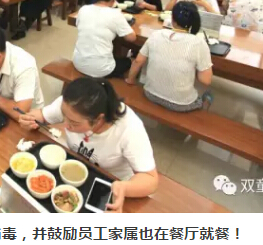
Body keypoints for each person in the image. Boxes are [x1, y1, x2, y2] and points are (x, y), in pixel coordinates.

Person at [18, 77, 158, 210]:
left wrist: (122, 187)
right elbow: (41, 116)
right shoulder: (71, 105)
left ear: (99, 119)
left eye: (74, 123)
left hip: (110, 186)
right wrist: (29, 119)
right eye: (63, 116)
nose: (65, 125)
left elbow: (151, 180)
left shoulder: (129, 128)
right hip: (74, 172)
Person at [126, 1, 213, 112]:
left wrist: (130, 80)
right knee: (208, 93)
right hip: (181, 104)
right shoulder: (199, 43)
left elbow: (138, 61)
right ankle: (204, 105)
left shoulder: (156, 34)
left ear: (172, 19)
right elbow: (206, 80)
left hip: (150, 94)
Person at [72, 0, 137, 78]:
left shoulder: (83, 9)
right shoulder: (115, 14)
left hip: (78, 62)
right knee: (131, 60)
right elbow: (132, 38)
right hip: (101, 69)